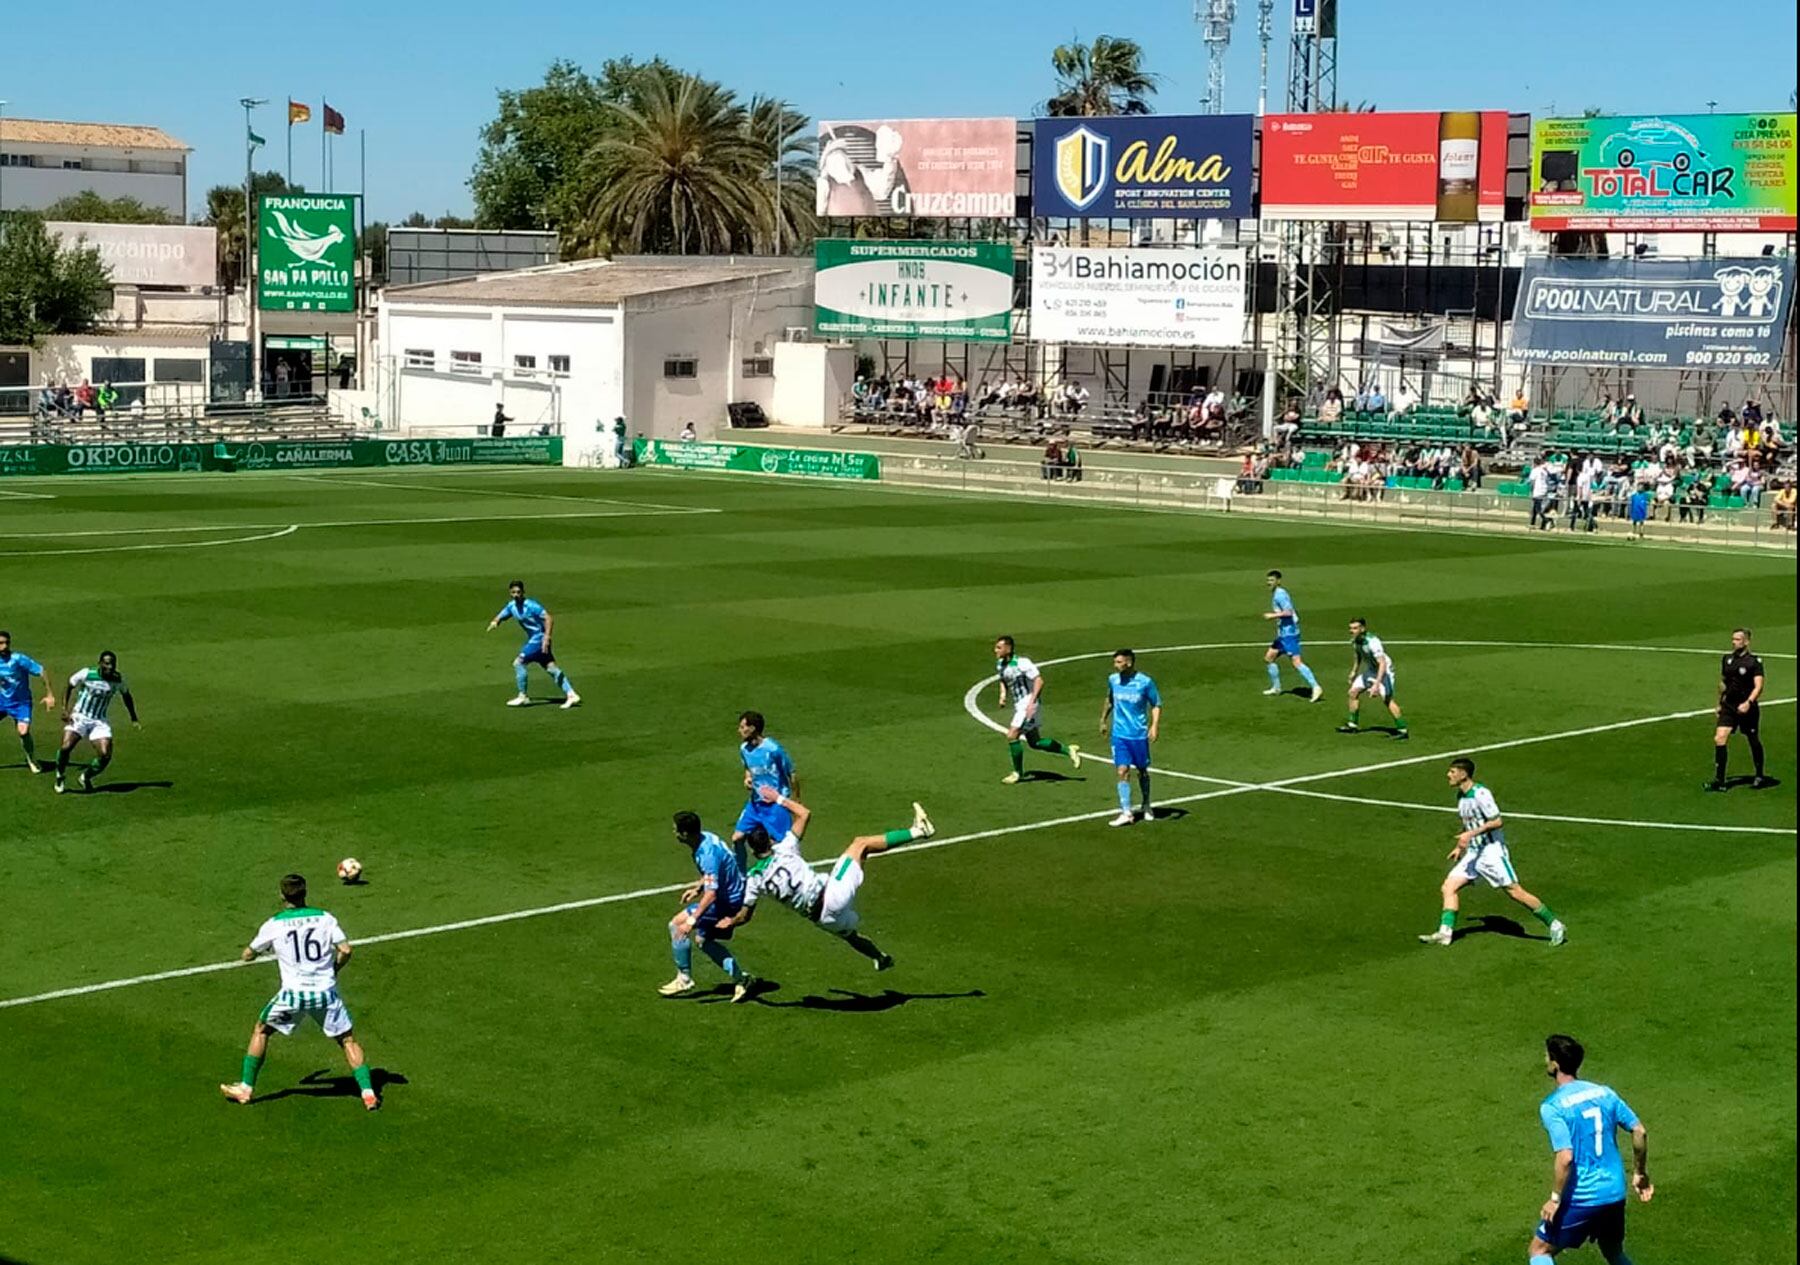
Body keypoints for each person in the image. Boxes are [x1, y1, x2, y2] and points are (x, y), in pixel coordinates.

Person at [718, 786, 934, 972]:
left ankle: (879, 957)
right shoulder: (785, 848)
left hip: (823, 919)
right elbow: (805, 814)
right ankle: (918, 831)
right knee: (860, 844)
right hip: (831, 894)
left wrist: (731, 922)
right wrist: (778, 799)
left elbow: (745, 916)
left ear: (753, 851)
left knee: (851, 936)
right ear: (770, 840)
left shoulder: (754, 878)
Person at [218, 873, 381, 1110]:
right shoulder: (325, 918)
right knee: (347, 1040)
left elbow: (247, 955)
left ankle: (245, 1088)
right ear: (305, 893)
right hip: (325, 993)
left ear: (281, 895)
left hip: (293, 995)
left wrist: (261, 951)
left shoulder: (274, 924)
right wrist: (333, 970)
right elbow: (345, 950)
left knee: (261, 1030)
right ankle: (368, 1093)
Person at [1529, 1034, 1652, 1265]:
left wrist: (1555, 1199)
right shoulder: (1605, 1093)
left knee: (1539, 1250)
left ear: (1555, 1063)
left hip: (1583, 1197)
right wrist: (1640, 1173)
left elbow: (1565, 1157)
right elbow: (1639, 1131)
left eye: (1547, 1055)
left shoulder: (1552, 1106)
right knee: (1614, 1252)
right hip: (1615, 1192)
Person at [1419, 758, 1567, 947]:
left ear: (1464, 774)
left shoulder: (1481, 794)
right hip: (1474, 852)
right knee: (1449, 887)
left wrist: (1470, 834)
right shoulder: (1461, 797)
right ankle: (1445, 933)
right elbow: (1468, 822)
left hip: (1491, 853)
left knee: (1515, 892)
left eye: (1452, 771)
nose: (1448, 775)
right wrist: (1460, 846)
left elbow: (1497, 821)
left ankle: (1555, 925)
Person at [660, 811, 756, 1002]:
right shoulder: (707, 838)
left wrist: (691, 920)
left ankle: (684, 978)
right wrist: (698, 887)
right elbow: (717, 873)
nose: (674, 833)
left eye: (676, 830)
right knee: (703, 941)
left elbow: (711, 894)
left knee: (677, 925)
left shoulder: (706, 855)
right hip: (732, 896)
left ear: (685, 834)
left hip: (726, 902)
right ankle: (742, 979)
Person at [992, 636, 1079, 785]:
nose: (996, 650)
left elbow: (1039, 680)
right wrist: (1003, 695)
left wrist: (1032, 703)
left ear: (1009, 648)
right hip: (1020, 704)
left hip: (1028, 703)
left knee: (1012, 735)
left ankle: (1017, 773)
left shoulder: (1022, 663)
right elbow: (1003, 679)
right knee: (1035, 742)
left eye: (999, 647)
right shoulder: (1001, 664)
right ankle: (1069, 750)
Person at [485, 580, 581, 709]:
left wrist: (547, 637)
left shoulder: (531, 605)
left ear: (523, 592)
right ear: (510, 593)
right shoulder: (511, 606)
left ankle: (523, 696)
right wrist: (495, 622)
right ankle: (571, 694)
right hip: (535, 640)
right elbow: (503, 615)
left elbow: (548, 618)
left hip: (539, 639)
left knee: (519, 663)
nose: (516, 595)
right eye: (513, 592)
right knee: (551, 667)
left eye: (518, 592)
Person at [54, 651, 140, 794]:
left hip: (99, 720)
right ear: (99, 663)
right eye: (106, 663)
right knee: (66, 748)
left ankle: (85, 777)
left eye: (112, 664)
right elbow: (69, 685)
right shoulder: (87, 673)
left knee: (105, 755)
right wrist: (65, 709)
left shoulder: (117, 679)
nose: (110, 667)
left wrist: (134, 717)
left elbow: (127, 696)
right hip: (79, 716)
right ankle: (60, 776)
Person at [1092, 649, 1160, 827]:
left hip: (1138, 735)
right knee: (1122, 771)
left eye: (1118, 662)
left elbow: (1156, 704)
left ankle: (1146, 804)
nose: (1115, 666)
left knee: (1142, 770)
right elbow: (1110, 699)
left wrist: (1154, 726)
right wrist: (1103, 719)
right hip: (1119, 734)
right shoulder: (1113, 680)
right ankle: (1126, 811)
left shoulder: (1145, 682)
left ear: (1128, 663)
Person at [1707, 628, 1769, 791]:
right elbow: (1723, 683)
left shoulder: (1754, 662)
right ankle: (1720, 780)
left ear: (1746, 642)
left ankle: (1759, 775)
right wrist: (1719, 703)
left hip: (1747, 707)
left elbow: (1759, 686)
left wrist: (1749, 702)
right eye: (1733, 639)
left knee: (1752, 739)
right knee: (1720, 738)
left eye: (1738, 639)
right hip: (1729, 706)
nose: (1734, 642)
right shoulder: (1727, 659)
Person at [1336, 618, 1409, 740]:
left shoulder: (1373, 642)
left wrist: (1377, 684)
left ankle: (1402, 730)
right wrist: (1354, 671)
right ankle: (1352, 724)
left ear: (1362, 629)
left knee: (1387, 699)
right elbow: (1358, 656)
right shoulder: (1355, 641)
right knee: (1353, 692)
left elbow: (1382, 663)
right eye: (1350, 628)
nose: (1351, 631)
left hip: (1384, 671)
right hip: (1371, 670)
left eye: (1354, 628)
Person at [734, 710, 796, 845]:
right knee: (737, 838)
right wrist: (747, 778)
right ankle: (740, 867)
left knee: (780, 844)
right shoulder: (744, 749)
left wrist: (796, 803)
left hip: (776, 804)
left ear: (752, 728)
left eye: (742, 727)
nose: (739, 730)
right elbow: (748, 768)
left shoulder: (773, 749)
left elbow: (791, 773)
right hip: (755, 804)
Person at [1261, 570, 1324, 701]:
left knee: (1296, 662)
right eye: (1268, 580)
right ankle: (1276, 687)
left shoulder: (1280, 595)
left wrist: (1273, 615)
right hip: (1283, 634)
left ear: (1278, 581)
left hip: (1289, 634)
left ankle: (1316, 687)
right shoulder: (1277, 594)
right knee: (1269, 658)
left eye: (1272, 580)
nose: (1269, 583)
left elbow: (1288, 612)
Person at [0, 631, 57, 774]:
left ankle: (31, 759)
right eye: (1, 643)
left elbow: (41, 671)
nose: (5, 646)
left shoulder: (18, 659)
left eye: (7, 643)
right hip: (2, 701)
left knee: (23, 732)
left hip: (21, 703)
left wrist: (49, 694)